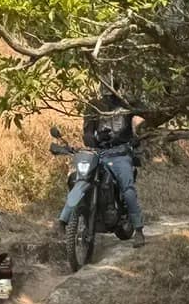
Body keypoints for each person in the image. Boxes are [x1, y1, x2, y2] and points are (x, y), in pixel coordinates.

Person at [60, 87, 146, 246]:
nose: (108, 96)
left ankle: (138, 230)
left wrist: (137, 137)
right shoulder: (93, 106)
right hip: (99, 153)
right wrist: (97, 137)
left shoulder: (127, 105)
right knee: (80, 178)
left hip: (121, 153)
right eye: (105, 90)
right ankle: (63, 221)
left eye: (111, 91)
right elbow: (87, 134)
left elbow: (145, 120)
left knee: (128, 190)